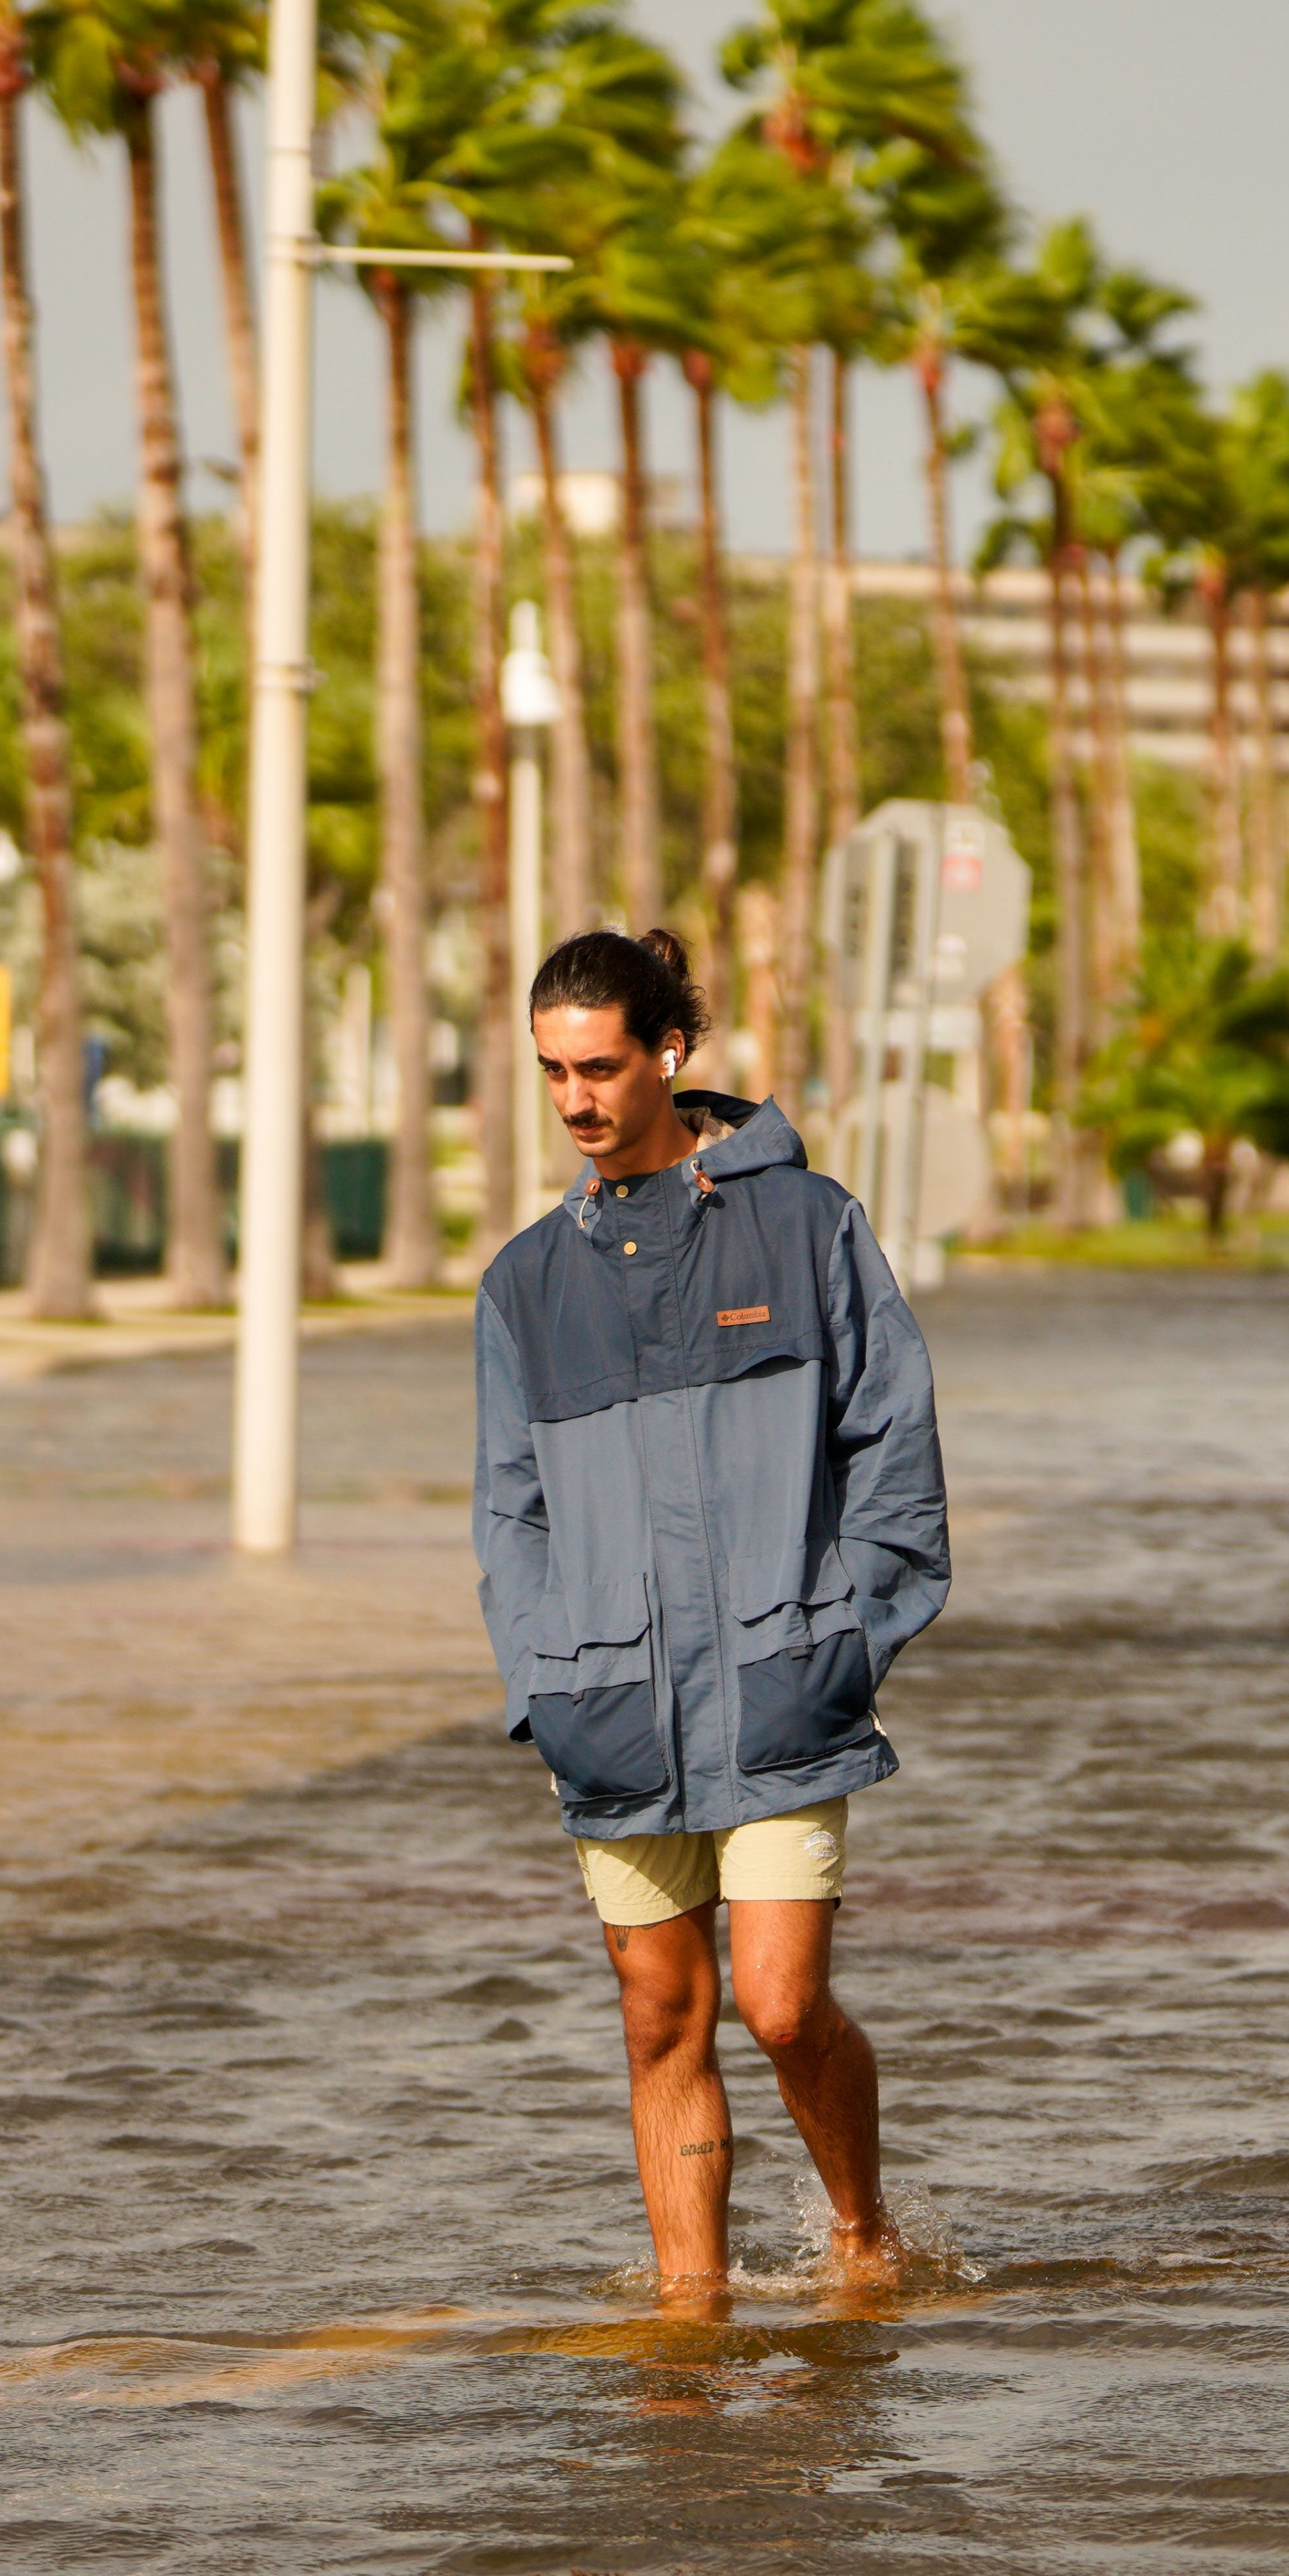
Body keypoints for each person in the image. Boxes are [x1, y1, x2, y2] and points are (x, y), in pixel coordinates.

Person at [473, 929, 948, 2312]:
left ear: (666, 1052)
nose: (575, 1098)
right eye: (553, 1070)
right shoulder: (524, 1283)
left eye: (601, 1066)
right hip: (611, 1708)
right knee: (658, 2016)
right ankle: (693, 2313)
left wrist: (843, 1638)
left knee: (781, 2004)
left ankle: (862, 2232)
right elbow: (512, 1514)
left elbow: (894, 1447)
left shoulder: (805, 1226)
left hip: (783, 1679)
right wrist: (543, 1680)